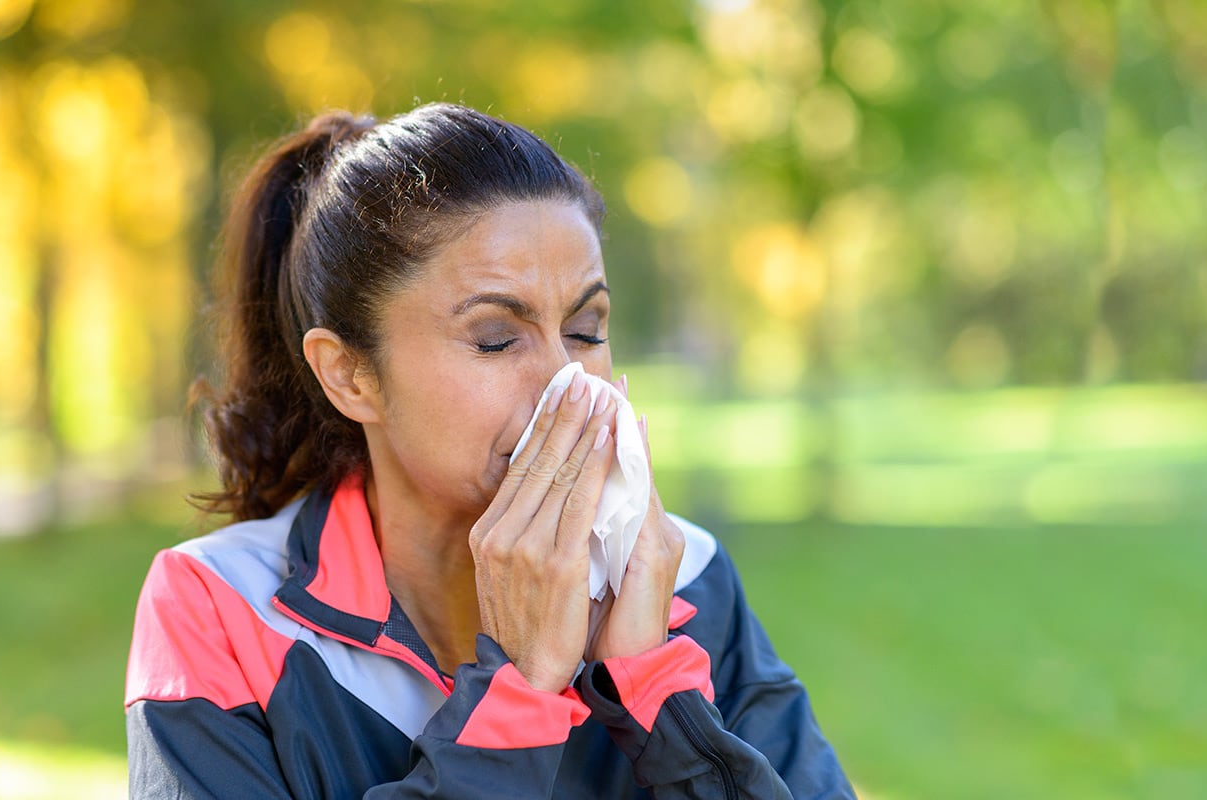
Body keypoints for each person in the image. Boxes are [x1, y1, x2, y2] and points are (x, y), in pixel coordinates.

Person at [124, 102, 854, 799]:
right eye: (496, 338)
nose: (564, 380)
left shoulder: (686, 578)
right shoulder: (220, 607)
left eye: (587, 329)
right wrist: (522, 691)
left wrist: (657, 688)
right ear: (350, 374)